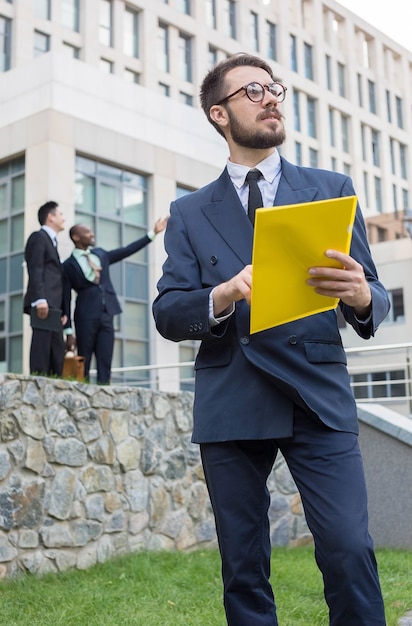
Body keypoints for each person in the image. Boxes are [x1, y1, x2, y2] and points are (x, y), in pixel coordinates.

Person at [152, 53, 389, 626]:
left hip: (317, 393)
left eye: (273, 88)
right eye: (252, 91)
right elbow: (168, 311)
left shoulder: (332, 188)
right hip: (231, 396)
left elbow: (374, 295)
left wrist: (358, 294)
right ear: (220, 115)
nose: (271, 98)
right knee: (244, 564)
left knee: (348, 548)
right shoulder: (188, 212)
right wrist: (226, 294)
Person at [63, 218, 168, 384]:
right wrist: (68, 331)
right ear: (76, 237)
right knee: (85, 357)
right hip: (85, 316)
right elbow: (65, 299)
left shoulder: (100, 254)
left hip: (107, 314)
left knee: (105, 358)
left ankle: (104, 392)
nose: (92, 234)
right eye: (87, 232)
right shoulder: (68, 265)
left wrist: (153, 233)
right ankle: (82, 393)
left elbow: (126, 250)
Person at [23, 201, 66, 376]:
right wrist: (39, 298)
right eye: (61, 214)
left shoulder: (53, 242)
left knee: (56, 355)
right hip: (43, 304)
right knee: (41, 353)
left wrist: (62, 309)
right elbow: (36, 268)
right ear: (50, 217)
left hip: (54, 307)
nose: (64, 218)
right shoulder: (38, 237)